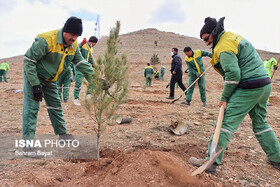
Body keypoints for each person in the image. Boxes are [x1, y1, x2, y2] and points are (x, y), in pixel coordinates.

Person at [189, 17, 280, 174]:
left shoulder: (223, 47)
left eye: (206, 38)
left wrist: (224, 98)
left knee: (225, 122)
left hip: (249, 86)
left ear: (213, 33)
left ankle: (210, 161)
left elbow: (233, 75)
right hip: (264, 85)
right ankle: (277, 157)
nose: (206, 43)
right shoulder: (231, 37)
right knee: (260, 123)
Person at [22, 16, 95, 145]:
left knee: (56, 106)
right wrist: (35, 85)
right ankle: (27, 145)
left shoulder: (73, 46)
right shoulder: (47, 40)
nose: (74, 39)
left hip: (50, 79)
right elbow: (29, 61)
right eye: (72, 34)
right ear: (65, 31)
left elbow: (81, 63)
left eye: (77, 36)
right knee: (32, 109)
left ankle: (63, 135)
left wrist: (96, 80)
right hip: (34, 76)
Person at [74, 36, 98, 106]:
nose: (94, 45)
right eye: (95, 44)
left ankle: (88, 96)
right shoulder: (84, 45)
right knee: (78, 84)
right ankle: (76, 99)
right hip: (79, 68)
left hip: (86, 68)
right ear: (93, 42)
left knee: (92, 81)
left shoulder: (91, 49)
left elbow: (91, 59)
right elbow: (76, 49)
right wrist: (81, 43)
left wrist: (95, 66)